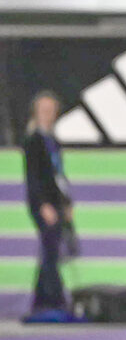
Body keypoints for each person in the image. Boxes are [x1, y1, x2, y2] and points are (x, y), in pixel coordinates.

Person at [22, 91, 79, 323]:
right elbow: (34, 177)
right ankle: (53, 299)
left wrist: (66, 203)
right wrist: (43, 204)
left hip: (55, 202)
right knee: (50, 250)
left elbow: (58, 176)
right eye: (43, 110)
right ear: (36, 112)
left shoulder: (52, 140)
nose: (47, 115)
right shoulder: (34, 140)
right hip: (43, 203)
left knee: (51, 250)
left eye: (51, 110)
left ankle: (42, 299)